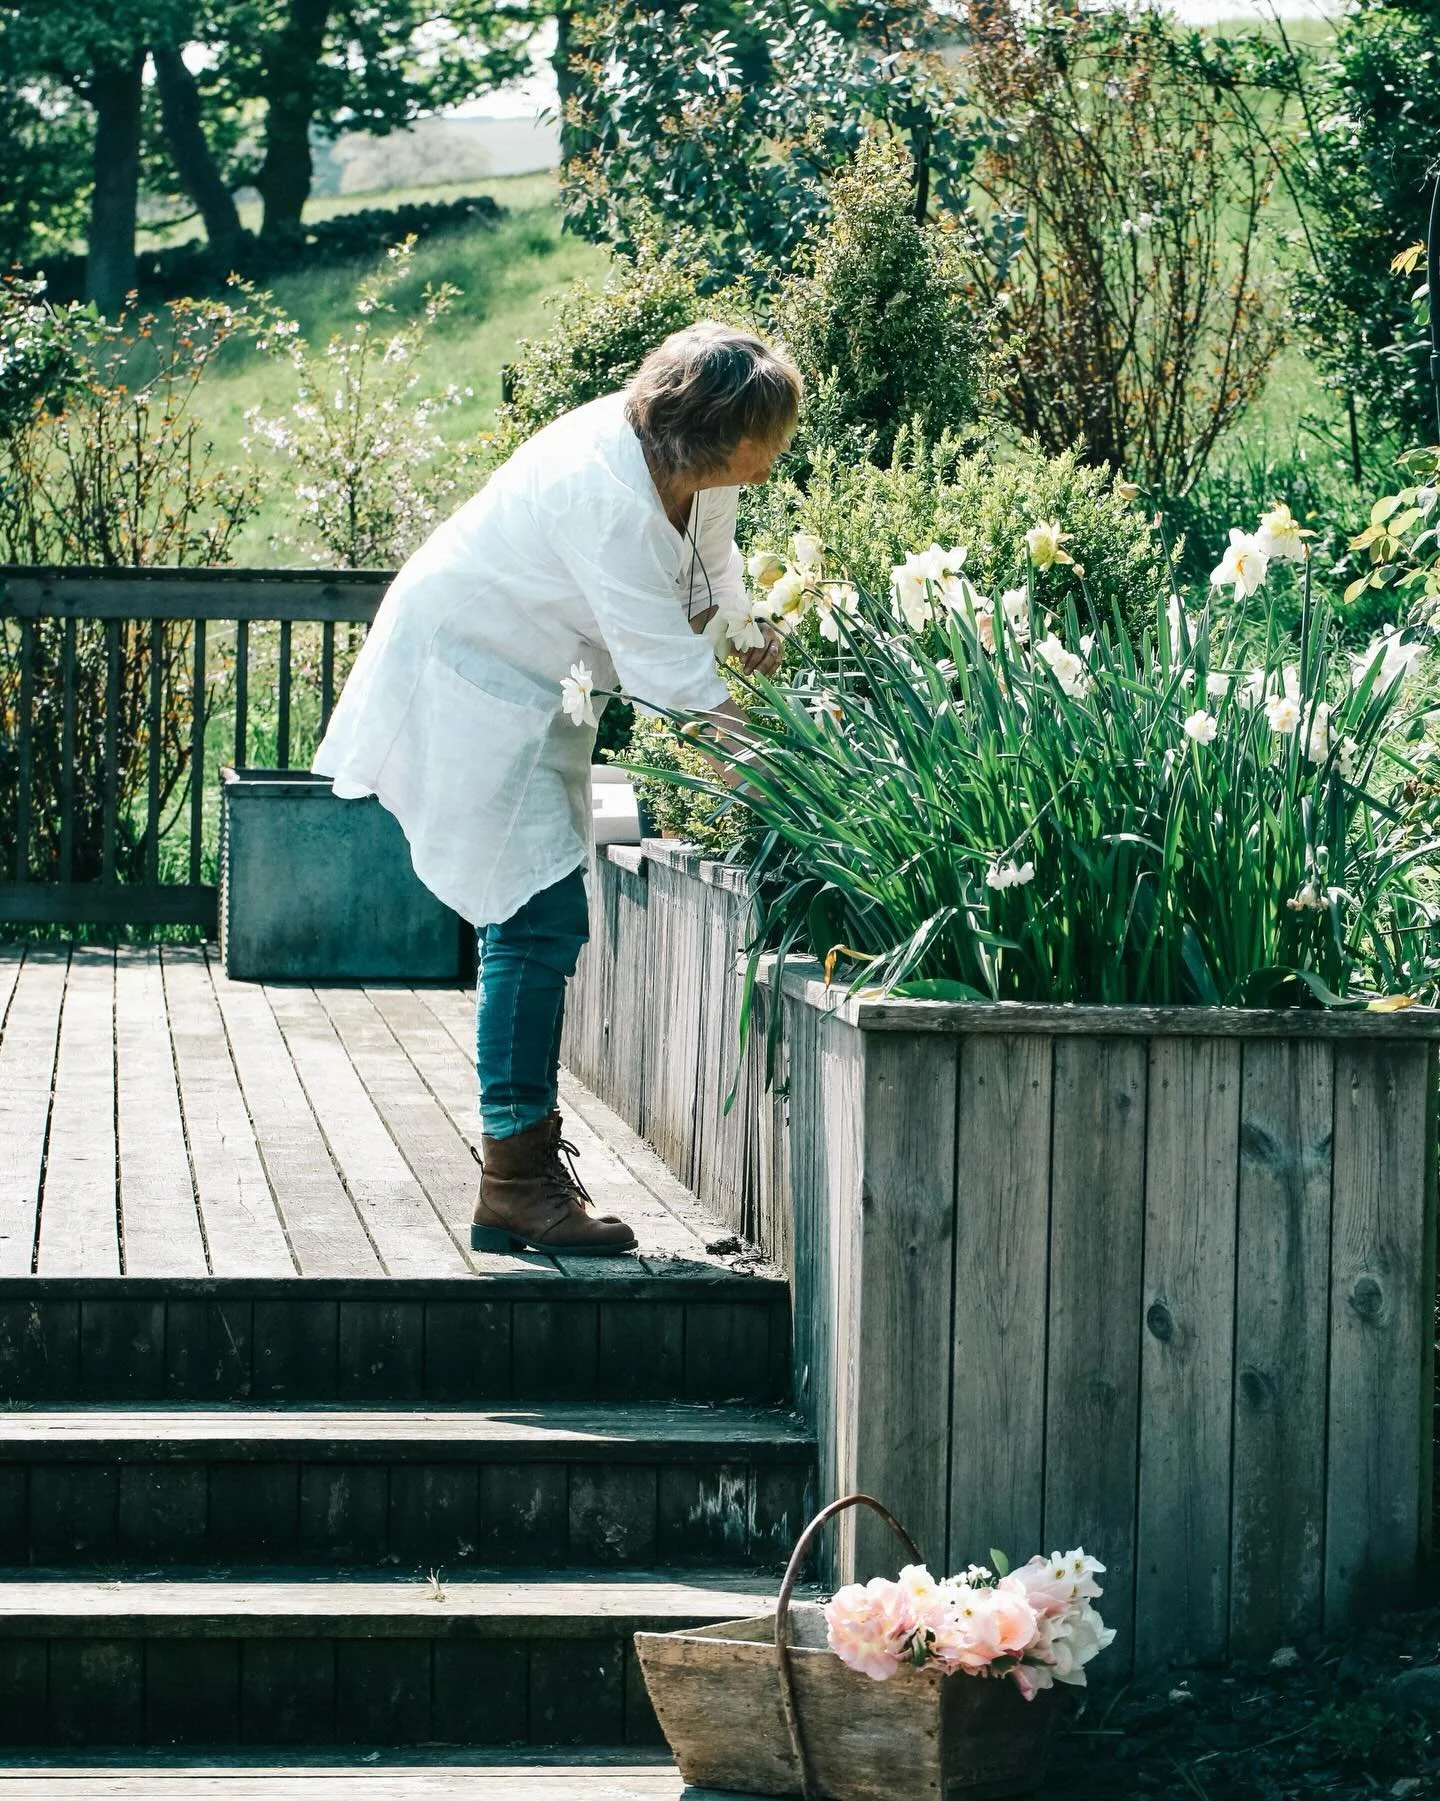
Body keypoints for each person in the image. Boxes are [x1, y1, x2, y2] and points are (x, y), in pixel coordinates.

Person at [313, 322, 801, 1256]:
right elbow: (668, 676)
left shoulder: (691, 474)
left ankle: (521, 1170)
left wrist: (742, 629)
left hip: (545, 683)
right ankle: (514, 1181)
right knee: (533, 918)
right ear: (711, 432)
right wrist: (787, 777)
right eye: (766, 438)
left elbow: (708, 578)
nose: (775, 458)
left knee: (536, 917)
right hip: (473, 673)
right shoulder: (603, 489)